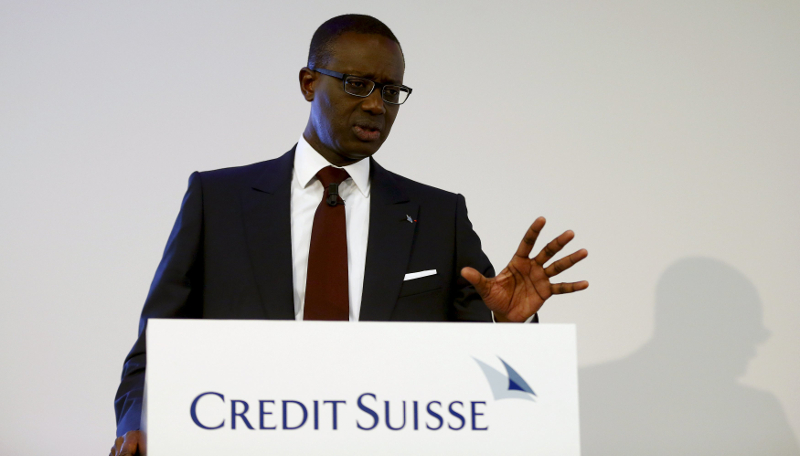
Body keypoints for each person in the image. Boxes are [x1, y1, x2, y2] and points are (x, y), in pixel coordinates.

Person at [110, 14, 588, 456]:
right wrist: (136, 421)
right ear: (308, 82)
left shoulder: (438, 215)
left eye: (391, 90)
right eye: (358, 85)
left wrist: (511, 327)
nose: (377, 105)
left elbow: (484, 377)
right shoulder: (217, 200)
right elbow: (155, 346)